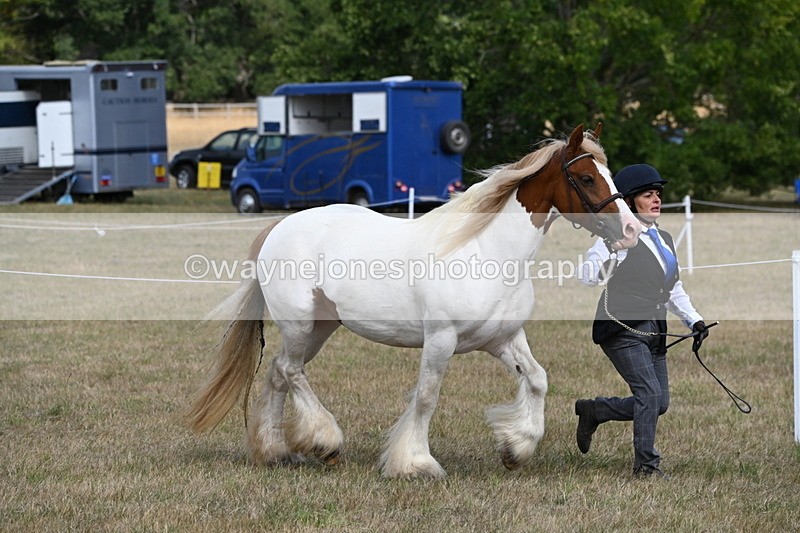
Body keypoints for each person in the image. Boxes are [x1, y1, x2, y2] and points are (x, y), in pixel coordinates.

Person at [576, 163, 708, 479]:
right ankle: (646, 466)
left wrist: (694, 321)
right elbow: (588, 277)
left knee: (659, 402)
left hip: (655, 328)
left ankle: (596, 410)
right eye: (648, 194)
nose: (656, 199)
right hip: (621, 328)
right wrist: (616, 251)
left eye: (657, 193)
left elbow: (672, 286)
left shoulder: (664, 238)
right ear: (630, 201)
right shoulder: (611, 238)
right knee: (648, 395)